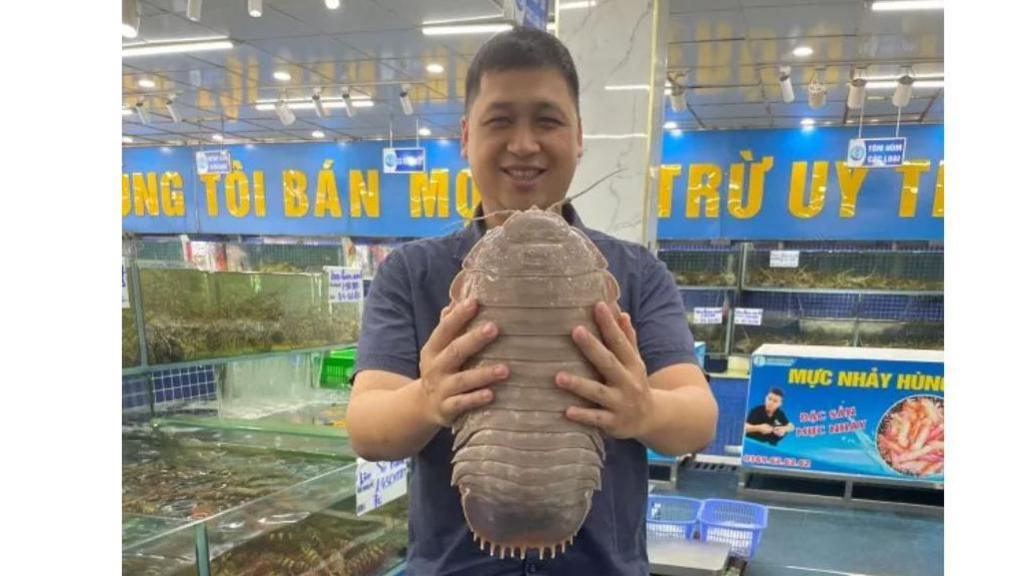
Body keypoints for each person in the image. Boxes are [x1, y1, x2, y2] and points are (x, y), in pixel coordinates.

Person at [346, 26, 718, 576]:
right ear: (467, 136)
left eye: (547, 121)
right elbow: (366, 427)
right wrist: (426, 398)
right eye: (500, 121)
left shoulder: (637, 273)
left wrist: (647, 408)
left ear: (579, 135)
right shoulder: (412, 273)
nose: (524, 144)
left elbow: (698, 417)